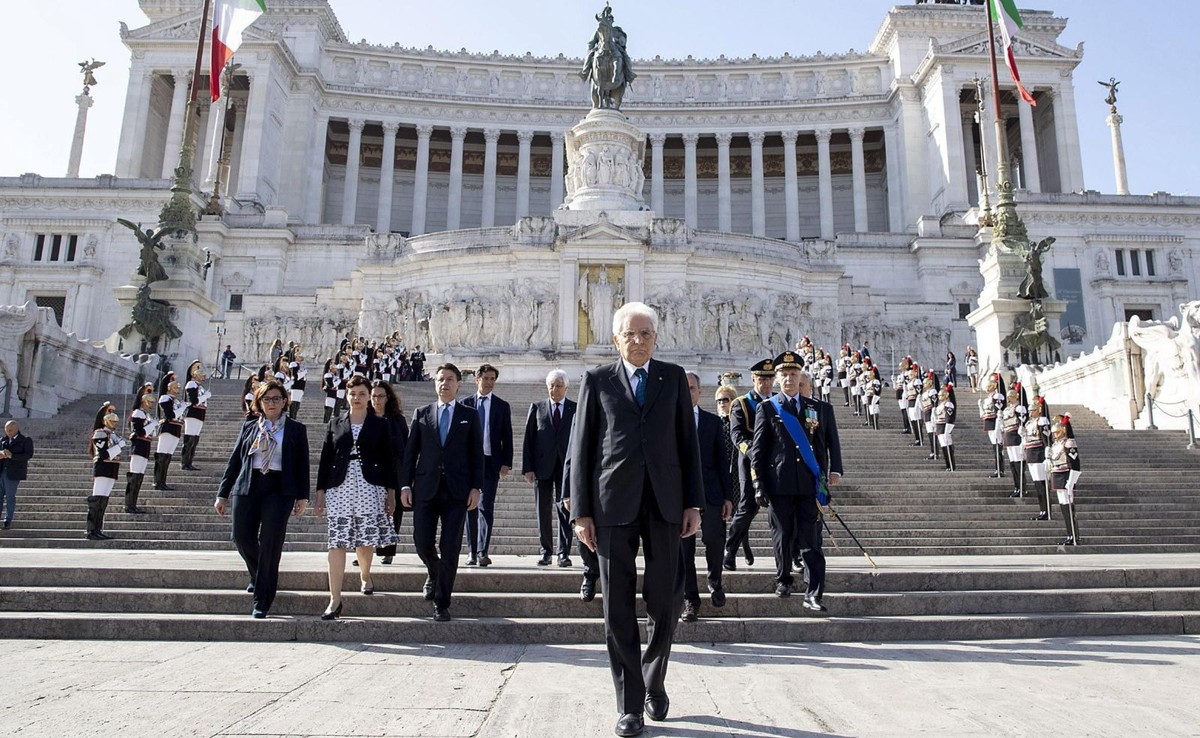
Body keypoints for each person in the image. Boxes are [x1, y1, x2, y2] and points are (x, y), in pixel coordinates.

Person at [570, 301, 703, 738]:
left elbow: (689, 444)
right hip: (611, 506)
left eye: (646, 334)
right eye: (630, 334)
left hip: (665, 503)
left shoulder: (672, 378)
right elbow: (583, 448)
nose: (639, 341)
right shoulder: (596, 380)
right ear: (616, 339)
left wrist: (694, 504)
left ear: (656, 337)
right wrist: (580, 511)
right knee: (617, 608)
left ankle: (654, 678)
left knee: (665, 600)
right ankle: (629, 704)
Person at [751, 354, 842, 611]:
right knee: (782, 535)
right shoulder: (768, 408)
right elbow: (759, 450)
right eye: (785, 374)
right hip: (778, 483)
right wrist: (758, 483)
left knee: (811, 539)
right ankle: (783, 579)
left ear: (800, 377)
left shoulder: (818, 408)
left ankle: (814, 592)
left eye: (794, 374)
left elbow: (830, 441)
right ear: (777, 378)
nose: (789, 379)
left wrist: (835, 470)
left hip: (808, 484)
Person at [216, 379, 310, 618]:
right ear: (259, 402)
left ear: (285, 401)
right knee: (241, 536)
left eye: (276, 399)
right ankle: (259, 575)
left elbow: (302, 464)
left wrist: (303, 496)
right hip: (248, 484)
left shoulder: (296, 429)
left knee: (270, 543)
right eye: (266, 399)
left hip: (280, 489)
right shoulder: (249, 426)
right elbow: (235, 460)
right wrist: (222, 493)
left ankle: (262, 599)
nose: (271, 403)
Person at [400, 362, 484, 622]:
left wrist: (476, 487)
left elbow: (476, 455)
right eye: (440, 379)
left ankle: (441, 602)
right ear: (434, 383)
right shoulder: (422, 413)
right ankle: (434, 571)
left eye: (449, 379)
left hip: (457, 492)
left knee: (450, 547)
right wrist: (405, 485)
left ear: (459, 384)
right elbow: (410, 453)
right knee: (422, 541)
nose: (444, 383)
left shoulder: (469, 415)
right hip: (426, 489)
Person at [314, 375, 400, 619]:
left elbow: (388, 461)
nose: (357, 398)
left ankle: (365, 575)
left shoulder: (379, 424)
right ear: (346, 396)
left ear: (368, 397)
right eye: (353, 394)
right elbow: (325, 458)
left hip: (369, 485)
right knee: (337, 541)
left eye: (362, 394)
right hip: (339, 486)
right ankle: (335, 599)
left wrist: (391, 493)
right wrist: (320, 493)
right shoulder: (336, 422)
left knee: (364, 541)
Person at [679, 372, 734, 622]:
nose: (688, 392)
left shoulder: (713, 422)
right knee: (683, 550)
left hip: (710, 494)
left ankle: (715, 581)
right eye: (684, 388)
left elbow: (723, 463)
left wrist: (728, 497)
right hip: (680, 498)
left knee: (714, 540)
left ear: (700, 391)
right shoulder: (668, 422)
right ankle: (690, 599)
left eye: (692, 388)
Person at [723, 358, 775, 571]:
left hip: (775, 464)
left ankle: (793, 555)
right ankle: (731, 549)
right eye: (762, 378)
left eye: (770, 378)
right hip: (750, 463)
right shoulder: (742, 404)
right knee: (747, 507)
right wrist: (756, 454)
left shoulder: (778, 402)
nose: (766, 383)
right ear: (753, 379)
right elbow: (737, 435)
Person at [521, 369, 576, 566]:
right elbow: (529, 439)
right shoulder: (537, 407)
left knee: (566, 511)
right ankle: (546, 552)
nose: (555, 390)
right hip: (542, 467)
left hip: (567, 469)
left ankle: (564, 553)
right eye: (551, 386)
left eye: (559, 386)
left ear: (566, 388)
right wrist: (528, 467)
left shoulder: (574, 409)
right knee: (542, 510)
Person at [461, 364, 513, 567]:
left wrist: (506, 462)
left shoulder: (502, 405)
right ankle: (471, 551)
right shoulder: (465, 404)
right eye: (486, 378)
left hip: (491, 462)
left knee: (486, 507)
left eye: (493, 379)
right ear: (477, 379)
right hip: (468, 463)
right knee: (470, 506)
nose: (489, 382)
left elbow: (507, 437)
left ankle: (483, 550)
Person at [370, 380, 409, 565]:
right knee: (369, 513)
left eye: (381, 396)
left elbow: (405, 447)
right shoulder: (364, 418)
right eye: (374, 396)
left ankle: (388, 550)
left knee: (393, 513)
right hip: (369, 473)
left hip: (394, 471)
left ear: (388, 398)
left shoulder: (397, 420)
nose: (377, 400)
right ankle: (366, 551)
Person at [87, 409, 125, 540]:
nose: (115, 424)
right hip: (102, 468)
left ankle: (98, 529)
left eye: (116, 422)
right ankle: (91, 529)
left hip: (112, 468)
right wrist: (119, 446)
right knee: (97, 499)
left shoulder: (111, 434)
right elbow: (103, 454)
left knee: (104, 500)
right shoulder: (100, 433)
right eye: (113, 421)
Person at [1048, 414, 1082, 545]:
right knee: (1063, 506)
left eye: (1057, 433)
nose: (1055, 435)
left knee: (1069, 506)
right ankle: (1069, 534)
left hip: (1066, 475)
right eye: (1054, 433)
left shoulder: (1068, 443)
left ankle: (1074, 535)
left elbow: (1075, 463)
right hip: (1057, 475)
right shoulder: (1055, 444)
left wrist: (1071, 480)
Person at [124, 386, 158, 513]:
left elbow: (151, 434)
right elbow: (140, 432)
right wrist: (152, 425)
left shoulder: (145, 414)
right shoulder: (138, 413)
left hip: (145, 446)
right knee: (134, 475)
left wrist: (153, 426)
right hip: (138, 446)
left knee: (139, 476)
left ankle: (133, 503)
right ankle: (129, 504)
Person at [0, 420, 33, 530]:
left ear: (16, 429)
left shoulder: (25, 440)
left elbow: (28, 455)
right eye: (6, 430)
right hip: (1, 471)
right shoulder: (3, 440)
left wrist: (12, 456)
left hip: (13, 473)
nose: (8, 432)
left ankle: (7, 520)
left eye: (10, 430)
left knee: (10, 497)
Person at [154, 373, 185, 491]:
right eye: (175, 387)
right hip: (167, 427)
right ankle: (157, 481)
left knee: (168, 456)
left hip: (176, 428)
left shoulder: (175, 400)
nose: (177, 389)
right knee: (162, 454)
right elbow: (170, 415)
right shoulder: (165, 398)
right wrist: (182, 408)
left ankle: (163, 480)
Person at [181, 360, 211, 471]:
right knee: (189, 438)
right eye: (201, 375)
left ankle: (189, 462)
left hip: (200, 414)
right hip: (192, 413)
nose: (203, 377)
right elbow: (193, 401)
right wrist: (205, 396)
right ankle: (184, 462)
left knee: (195, 439)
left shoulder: (200, 387)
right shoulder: (191, 384)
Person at [935, 383, 958, 472]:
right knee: (944, 447)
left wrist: (947, 430)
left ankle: (952, 465)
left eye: (941, 395)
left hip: (945, 426)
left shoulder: (948, 404)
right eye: (939, 395)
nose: (940, 397)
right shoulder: (939, 405)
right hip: (939, 426)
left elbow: (949, 418)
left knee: (948, 446)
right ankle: (948, 465)